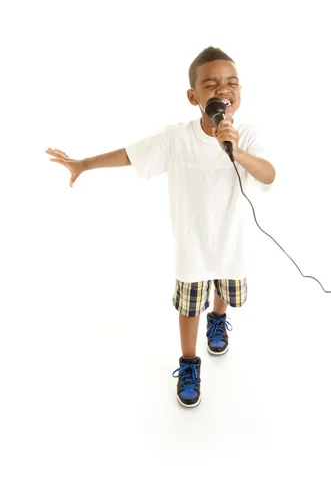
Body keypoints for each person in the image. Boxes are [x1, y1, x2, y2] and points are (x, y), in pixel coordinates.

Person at [45, 46, 276, 408]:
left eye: (232, 83)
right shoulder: (176, 138)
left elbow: (268, 173)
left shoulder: (246, 135)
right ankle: (189, 363)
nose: (223, 89)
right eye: (211, 84)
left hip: (232, 240)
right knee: (189, 303)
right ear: (193, 96)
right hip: (192, 244)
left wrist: (234, 148)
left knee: (222, 282)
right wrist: (85, 163)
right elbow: (132, 153)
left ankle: (218, 319)